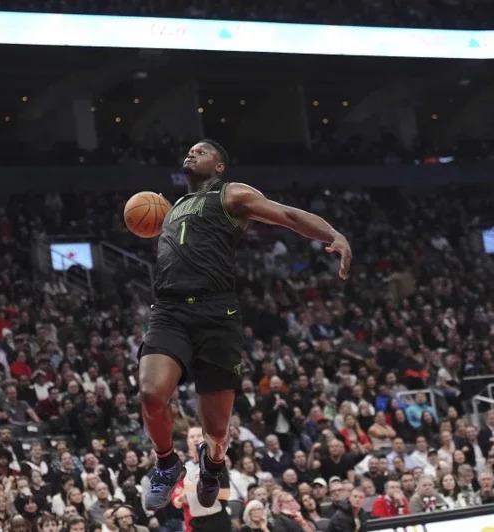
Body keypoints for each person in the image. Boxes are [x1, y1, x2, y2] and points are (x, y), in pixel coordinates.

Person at [139, 139, 352, 510]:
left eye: (202, 151)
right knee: (150, 393)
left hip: (216, 314)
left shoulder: (231, 194)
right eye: (190, 151)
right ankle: (166, 463)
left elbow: (287, 215)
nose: (192, 154)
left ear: (220, 167)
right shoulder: (171, 207)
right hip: (170, 310)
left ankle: (213, 465)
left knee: (216, 430)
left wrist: (333, 234)